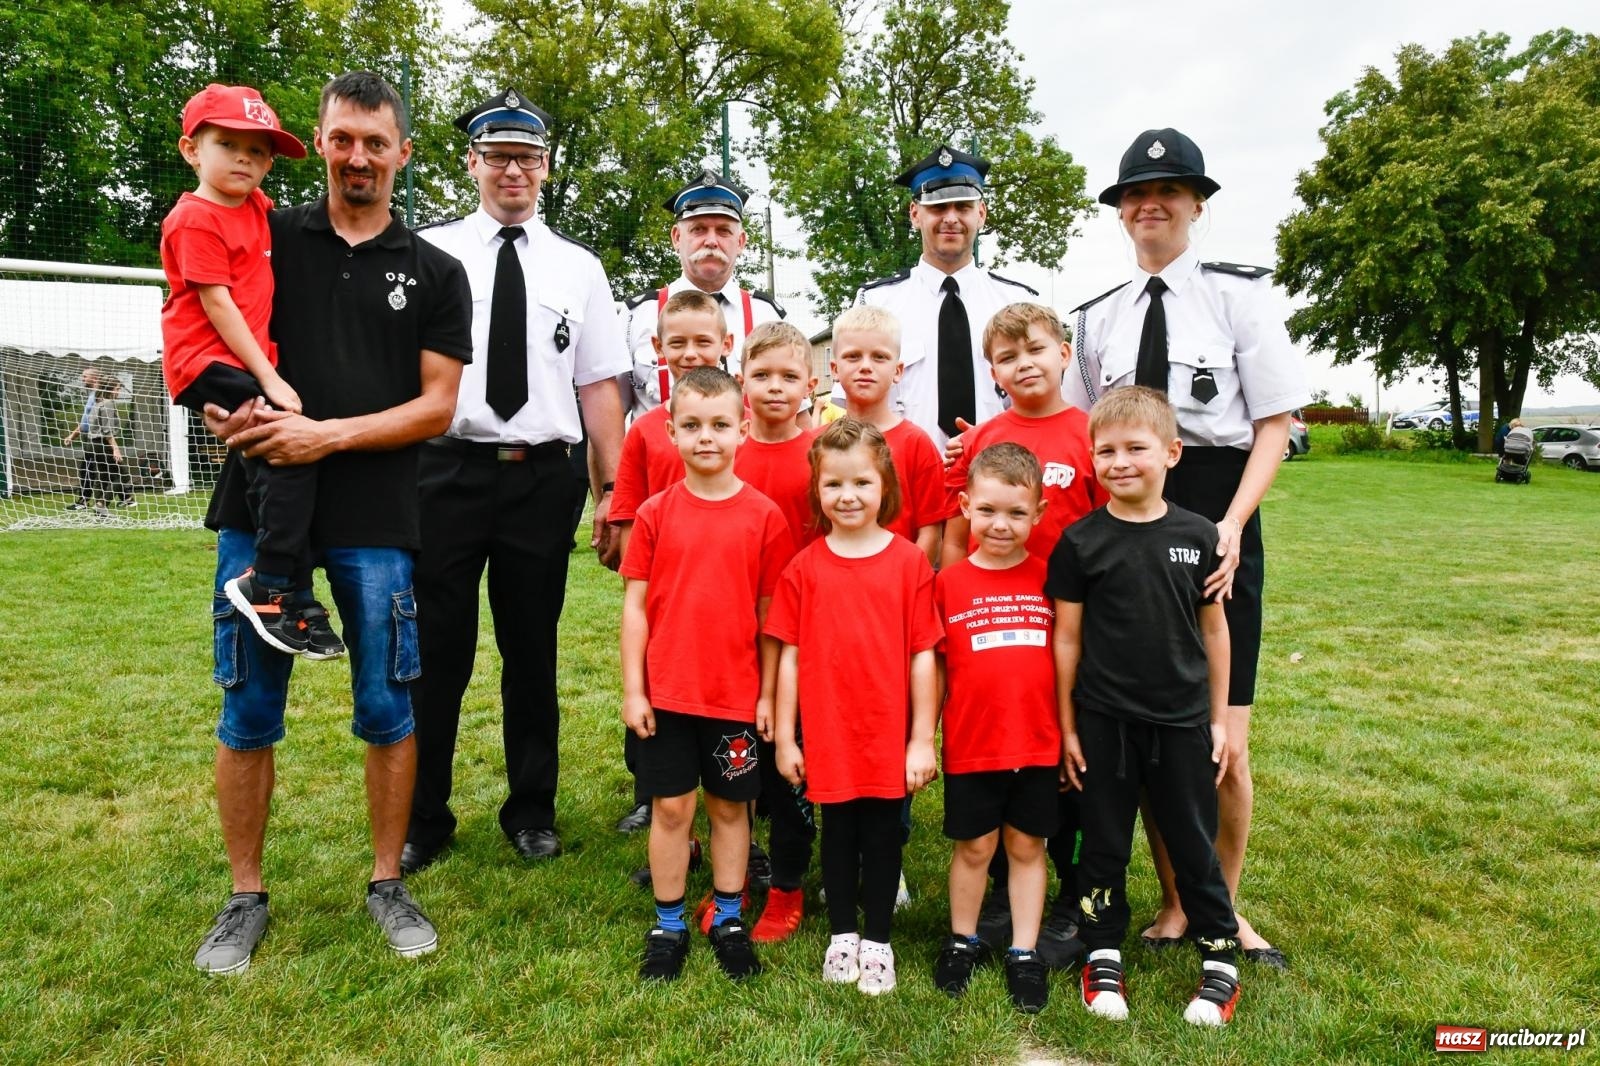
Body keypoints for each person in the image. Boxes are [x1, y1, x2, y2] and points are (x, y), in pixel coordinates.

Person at [190, 71, 472, 974]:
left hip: (377, 518)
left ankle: (387, 882)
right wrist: (219, 408)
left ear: (403, 154)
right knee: (248, 707)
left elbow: (437, 407)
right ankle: (244, 896)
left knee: (388, 706)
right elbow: (201, 322)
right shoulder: (261, 233)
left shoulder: (437, 272)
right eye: (342, 138)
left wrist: (326, 436)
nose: (358, 157)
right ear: (319, 141)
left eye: (375, 142)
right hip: (259, 506)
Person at [1064, 128, 1308, 969]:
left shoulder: (1240, 297)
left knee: (1221, 738)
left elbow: (1273, 424)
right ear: (1120, 212)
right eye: (1136, 194)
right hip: (1125, 527)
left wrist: (1231, 526)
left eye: (1168, 190)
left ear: (1197, 204)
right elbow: (1082, 434)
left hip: (1215, 510)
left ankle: (1225, 910)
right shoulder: (1096, 318)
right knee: (1148, 730)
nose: (1150, 205)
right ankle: (1174, 903)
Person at [399, 88, 628, 875]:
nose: (513, 171)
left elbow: (599, 385)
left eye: (527, 158)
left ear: (547, 167)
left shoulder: (580, 267)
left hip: (542, 479)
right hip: (446, 472)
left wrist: (613, 492)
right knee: (438, 653)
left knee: (532, 653)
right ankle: (424, 817)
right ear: (472, 163)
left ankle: (532, 811)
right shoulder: (428, 251)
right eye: (498, 157)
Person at [1048, 385, 1242, 1027]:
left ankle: (1220, 958)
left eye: (1136, 448)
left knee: (1192, 843)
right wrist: (1069, 726)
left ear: (1172, 453)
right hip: (1104, 721)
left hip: (1182, 723)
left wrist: (1218, 720)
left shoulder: (1200, 536)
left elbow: (1215, 631)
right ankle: (1102, 952)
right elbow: (1067, 638)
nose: (1120, 462)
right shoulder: (1080, 542)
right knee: (1103, 844)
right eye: (1106, 451)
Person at [620, 366, 794, 982]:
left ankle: (728, 918)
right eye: (691, 425)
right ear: (671, 432)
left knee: (730, 809)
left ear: (742, 430)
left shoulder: (765, 517)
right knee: (671, 809)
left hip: (735, 697)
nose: (706, 438)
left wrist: (768, 694)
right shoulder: (654, 514)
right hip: (667, 694)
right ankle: (667, 924)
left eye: (720, 425)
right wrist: (634, 689)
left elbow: (771, 618)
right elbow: (636, 608)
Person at [938, 301, 1100, 963]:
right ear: (993, 372)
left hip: (1076, 626)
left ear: (1064, 353)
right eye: (1007, 357)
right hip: (999, 626)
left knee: (1070, 764)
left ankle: (1074, 895)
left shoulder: (1090, 432)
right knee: (1007, 756)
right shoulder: (982, 439)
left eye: (1035, 349)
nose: (1024, 364)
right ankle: (1003, 893)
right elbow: (957, 538)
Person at [157, 83, 341, 659]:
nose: (244, 159)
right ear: (192, 150)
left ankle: (293, 595)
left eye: (258, 151)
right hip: (207, 362)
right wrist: (271, 379)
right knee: (292, 451)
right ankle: (268, 583)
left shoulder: (257, 207)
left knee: (278, 467)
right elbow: (218, 306)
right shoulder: (194, 219)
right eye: (228, 144)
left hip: (240, 364)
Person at [768, 418, 942, 996]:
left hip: (887, 732)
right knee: (838, 834)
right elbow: (789, 657)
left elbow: (923, 656)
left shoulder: (910, 564)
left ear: (884, 485)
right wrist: (787, 739)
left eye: (862, 482)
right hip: (830, 733)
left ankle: (879, 942)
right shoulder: (804, 568)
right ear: (816, 490)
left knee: (884, 837)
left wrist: (921, 739)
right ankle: (843, 934)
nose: (848, 496)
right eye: (834, 484)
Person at [933, 443, 1059, 1014]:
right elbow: (936, 670)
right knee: (976, 845)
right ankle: (962, 940)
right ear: (965, 507)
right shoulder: (948, 584)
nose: (1000, 525)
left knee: (1028, 845)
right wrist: (924, 736)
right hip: (972, 743)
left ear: (1039, 513)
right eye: (986, 510)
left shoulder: (1051, 580)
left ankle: (1024, 951)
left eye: (1015, 513)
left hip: (1037, 742)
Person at [608, 289, 732, 851]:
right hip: (664, 591)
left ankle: (738, 806)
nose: (690, 353)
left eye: (703, 341)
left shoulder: (736, 423)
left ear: (725, 344)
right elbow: (628, 511)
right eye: (677, 343)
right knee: (655, 688)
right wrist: (641, 582)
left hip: (724, 590)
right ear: (658, 349)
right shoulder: (646, 429)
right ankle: (652, 793)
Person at [851, 145, 1039, 449]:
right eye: (938, 208)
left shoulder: (1018, 303)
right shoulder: (875, 304)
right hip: (900, 469)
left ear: (981, 214)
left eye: (963, 207)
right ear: (915, 215)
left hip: (999, 470)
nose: (951, 218)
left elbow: (1040, 406)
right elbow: (855, 408)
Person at [732, 320, 819, 943]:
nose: (774, 387)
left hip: (803, 640)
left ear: (811, 384)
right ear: (742, 381)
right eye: (761, 375)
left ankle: (788, 886)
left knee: (792, 770)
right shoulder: (725, 452)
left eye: (789, 376)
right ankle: (734, 877)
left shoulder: (822, 456)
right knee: (734, 766)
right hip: (734, 636)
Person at [618, 170, 787, 417]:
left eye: (723, 231)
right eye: (698, 229)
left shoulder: (767, 316)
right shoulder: (637, 316)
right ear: (677, 237)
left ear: (741, 242)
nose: (711, 241)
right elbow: (610, 412)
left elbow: (796, 416)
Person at [831, 305, 946, 566]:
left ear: (898, 370)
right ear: (834, 368)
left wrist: (908, 581)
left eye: (879, 357)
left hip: (899, 583)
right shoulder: (820, 444)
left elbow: (930, 532)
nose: (865, 366)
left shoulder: (916, 443)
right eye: (853, 356)